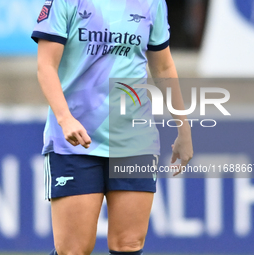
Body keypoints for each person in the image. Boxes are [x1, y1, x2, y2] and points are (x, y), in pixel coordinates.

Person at [31, 0, 193, 255]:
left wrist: (183, 128)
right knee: (73, 250)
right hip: (75, 144)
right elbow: (45, 66)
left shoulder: (152, 3)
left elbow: (163, 66)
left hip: (134, 141)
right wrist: (65, 118)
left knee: (128, 246)